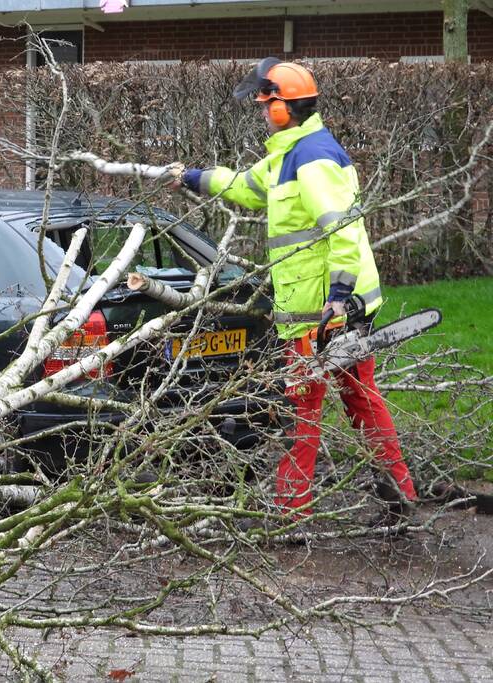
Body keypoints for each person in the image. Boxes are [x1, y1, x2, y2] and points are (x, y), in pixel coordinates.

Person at [171, 58, 417, 523]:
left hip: (323, 309)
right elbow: (246, 186)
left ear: (284, 108)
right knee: (359, 398)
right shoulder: (289, 154)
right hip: (321, 304)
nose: (263, 113)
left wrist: (338, 297)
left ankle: (291, 511)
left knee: (302, 407)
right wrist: (194, 177)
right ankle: (399, 494)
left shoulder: (313, 158)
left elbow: (342, 230)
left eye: (267, 105)